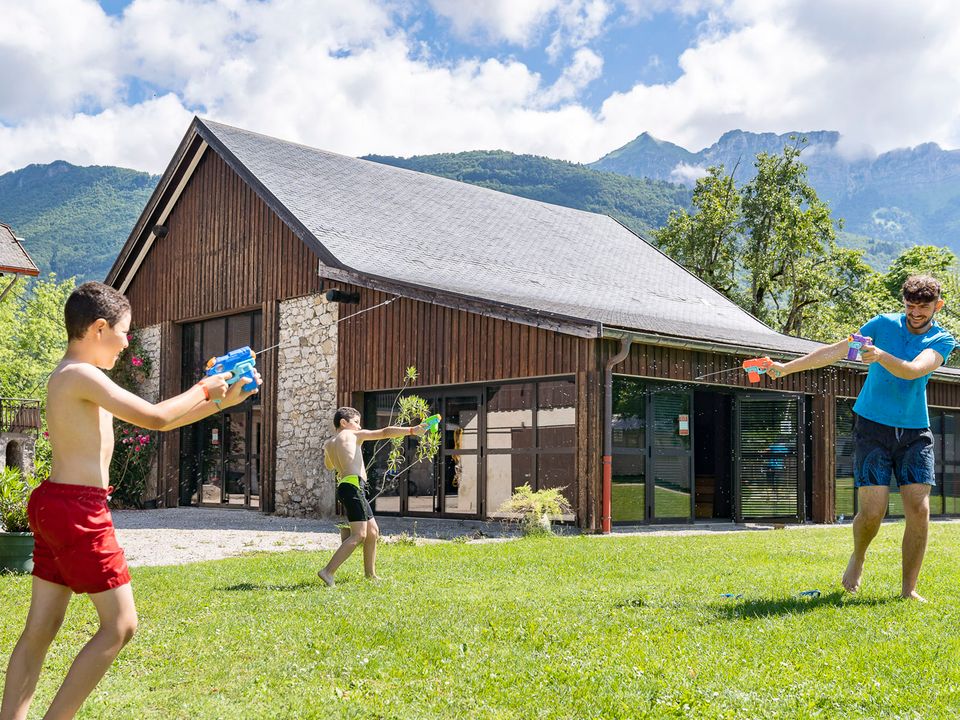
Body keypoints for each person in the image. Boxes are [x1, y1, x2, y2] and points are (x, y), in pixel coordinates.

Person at [0, 281, 261, 720]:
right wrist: (204, 386)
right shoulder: (81, 375)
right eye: (124, 331)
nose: (126, 341)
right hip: (79, 508)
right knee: (120, 625)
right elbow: (155, 416)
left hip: (57, 503)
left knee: (40, 630)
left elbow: (161, 421)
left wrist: (220, 401)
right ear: (100, 328)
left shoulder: (72, 375)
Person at [768, 275, 956, 601]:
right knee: (873, 511)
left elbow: (914, 370)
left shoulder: (942, 338)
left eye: (923, 308)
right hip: (872, 427)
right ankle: (859, 556)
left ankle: (908, 589)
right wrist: (786, 368)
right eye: (910, 306)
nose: (915, 314)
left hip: (915, 432)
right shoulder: (882, 324)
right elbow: (838, 351)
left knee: (919, 508)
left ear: (937, 306)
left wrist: (880, 356)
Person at [318, 407, 427, 587]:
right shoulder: (352, 435)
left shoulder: (330, 443)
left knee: (372, 531)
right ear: (343, 422)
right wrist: (412, 430)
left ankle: (370, 574)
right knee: (359, 534)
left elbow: (329, 465)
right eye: (356, 422)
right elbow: (384, 432)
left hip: (346, 486)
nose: (360, 426)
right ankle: (328, 571)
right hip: (353, 486)